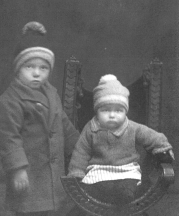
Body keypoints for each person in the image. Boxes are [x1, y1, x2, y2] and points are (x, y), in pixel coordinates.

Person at [0, 21, 79, 216]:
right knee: (26, 211)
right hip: (29, 169)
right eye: (29, 67)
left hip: (48, 167)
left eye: (43, 68)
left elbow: (63, 124)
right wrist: (18, 168)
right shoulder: (9, 100)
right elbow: (9, 138)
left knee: (41, 209)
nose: (36, 73)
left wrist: (81, 147)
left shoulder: (51, 93)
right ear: (17, 69)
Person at [68, 74, 174, 207]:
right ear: (97, 111)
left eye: (118, 110)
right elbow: (81, 152)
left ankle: (122, 202)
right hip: (100, 170)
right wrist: (76, 172)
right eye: (105, 110)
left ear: (125, 112)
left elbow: (152, 137)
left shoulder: (132, 127)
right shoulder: (91, 128)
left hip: (126, 170)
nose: (112, 115)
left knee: (128, 188)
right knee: (94, 188)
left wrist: (162, 148)